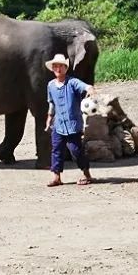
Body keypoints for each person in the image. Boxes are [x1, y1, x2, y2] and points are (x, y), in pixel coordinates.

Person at [44, 54, 96, 188]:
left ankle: (86, 174)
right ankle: (56, 177)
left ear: (65, 68)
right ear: (52, 69)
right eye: (55, 66)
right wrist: (49, 118)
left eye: (60, 66)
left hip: (73, 125)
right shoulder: (50, 85)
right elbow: (52, 103)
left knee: (76, 150)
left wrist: (90, 89)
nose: (58, 69)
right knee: (56, 150)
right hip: (59, 124)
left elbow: (84, 86)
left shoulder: (72, 82)